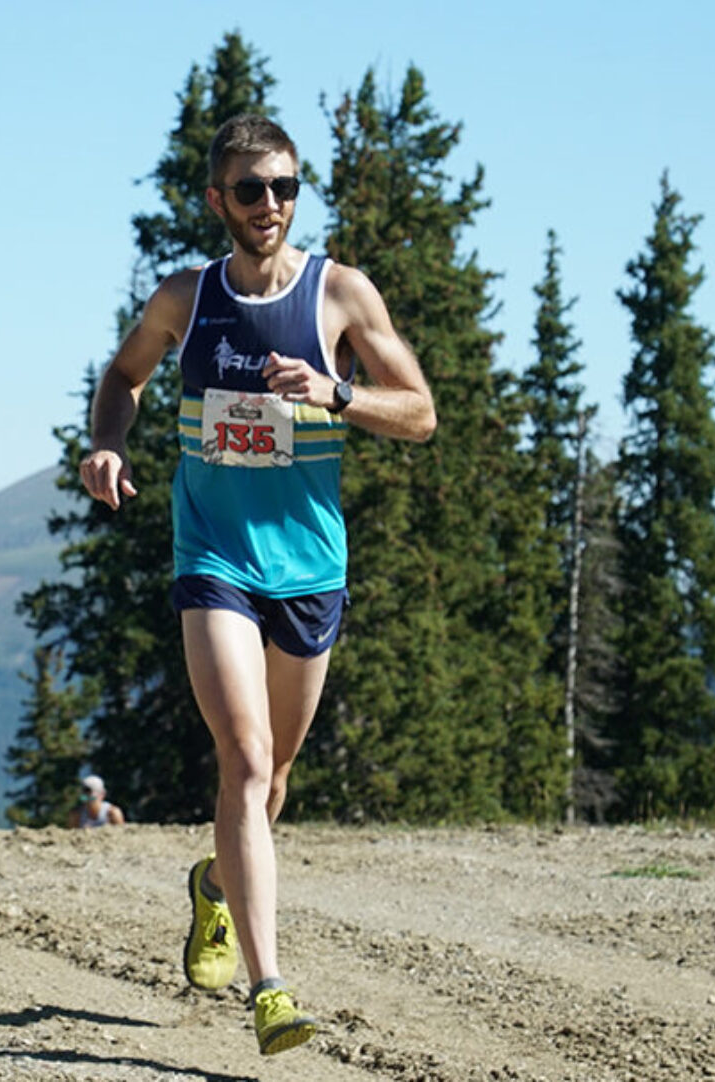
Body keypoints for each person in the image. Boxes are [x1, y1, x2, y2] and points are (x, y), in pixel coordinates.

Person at [78, 113, 435, 1057]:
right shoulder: (187, 298)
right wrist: (108, 443)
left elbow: (423, 414)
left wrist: (339, 394)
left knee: (272, 779)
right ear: (216, 201)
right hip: (215, 557)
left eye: (284, 187)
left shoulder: (341, 295)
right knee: (242, 757)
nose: (269, 205)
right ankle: (271, 989)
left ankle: (214, 885)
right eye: (250, 189)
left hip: (310, 567)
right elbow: (125, 374)